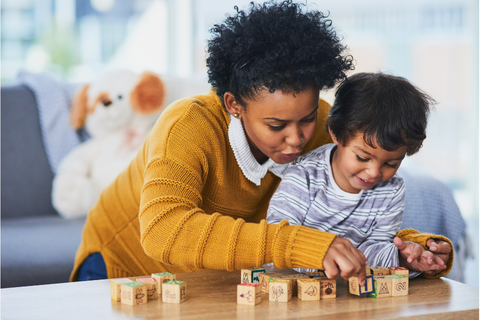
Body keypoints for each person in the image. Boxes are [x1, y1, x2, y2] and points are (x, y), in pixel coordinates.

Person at [70, 0, 452, 285]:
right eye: (275, 124)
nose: (297, 138)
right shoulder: (188, 126)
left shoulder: (324, 126)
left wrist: (412, 246)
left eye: (306, 118)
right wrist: (298, 244)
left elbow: (355, 209)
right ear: (234, 104)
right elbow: (164, 232)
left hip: (211, 275)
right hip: (123, 264)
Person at [267, 72, 451, 278]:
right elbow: (278, 239)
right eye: (362, 157)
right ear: (336, 132)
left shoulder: (391, 189)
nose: (374, 173)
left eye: (391, 163)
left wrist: (402, 260)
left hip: (348, 293)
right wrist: (320, 254)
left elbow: (372, 251)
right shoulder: (304, 175)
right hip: (295, 288)